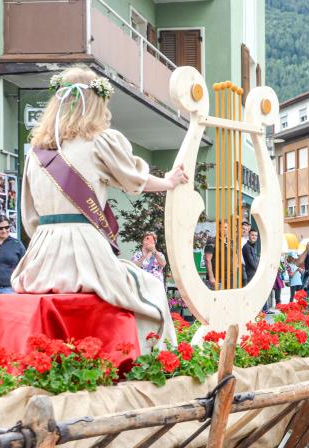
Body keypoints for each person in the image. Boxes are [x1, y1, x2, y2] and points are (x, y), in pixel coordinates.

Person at [11, 67, 188, 351]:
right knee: (150, 290)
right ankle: (151, 362)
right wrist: (169, 181)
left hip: (40, 258)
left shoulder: (36, 153)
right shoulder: (99, 142)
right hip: (85, 251)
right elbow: (135, 179)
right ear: (96, 102)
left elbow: (29, 218)